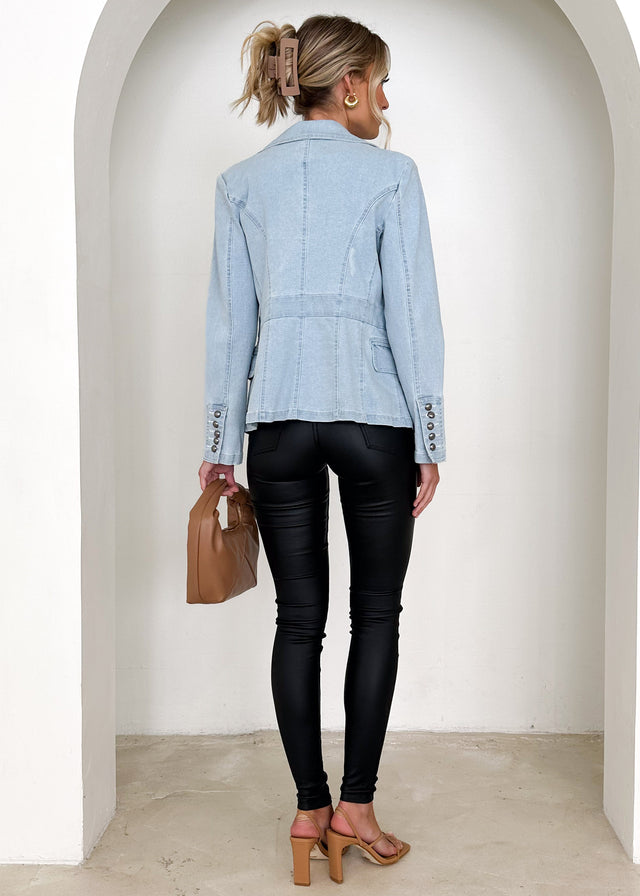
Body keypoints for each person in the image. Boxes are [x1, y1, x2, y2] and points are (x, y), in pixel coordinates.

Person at [197, 14, 446, 885]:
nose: (385, 101)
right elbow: (412, 316)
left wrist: (219, 444)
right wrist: (429, 437)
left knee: (296, 621)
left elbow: (230, 326)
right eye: (380, 84)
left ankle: (309, 809)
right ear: (347, 86)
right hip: (374, 421)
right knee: (376, 615)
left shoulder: (241, 183)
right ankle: (357, 809)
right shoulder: (391, 177)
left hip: (276, 425)